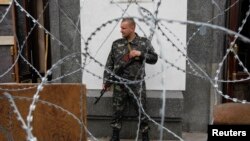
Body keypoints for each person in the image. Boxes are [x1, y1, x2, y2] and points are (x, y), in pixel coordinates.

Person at [103, 17, 158, 141]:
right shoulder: (116, 44)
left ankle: (145, 136)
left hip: (136, 83)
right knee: (117, 111)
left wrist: (140, 54)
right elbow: (109, 64)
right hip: (119, 84)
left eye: (123, 28)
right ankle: (115, 136)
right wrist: (106, 81)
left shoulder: (144, 42)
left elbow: (154, 59)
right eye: (121, 27)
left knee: (141, 110)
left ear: (132, 28)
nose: (121, 30)